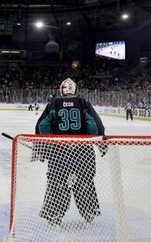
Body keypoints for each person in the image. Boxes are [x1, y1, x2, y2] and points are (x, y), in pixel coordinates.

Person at [36, 78, 106, 226]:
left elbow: (42, 126)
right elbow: (95, 125)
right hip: (82, 151)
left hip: (59, 152)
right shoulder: (83, 103)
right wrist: (101, 145)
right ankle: (88, 212)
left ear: (62, 90)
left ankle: (54, 215)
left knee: (57, 183)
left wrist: (41, 148)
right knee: (85, 181)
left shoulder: (54, 103)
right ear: (75, 90)